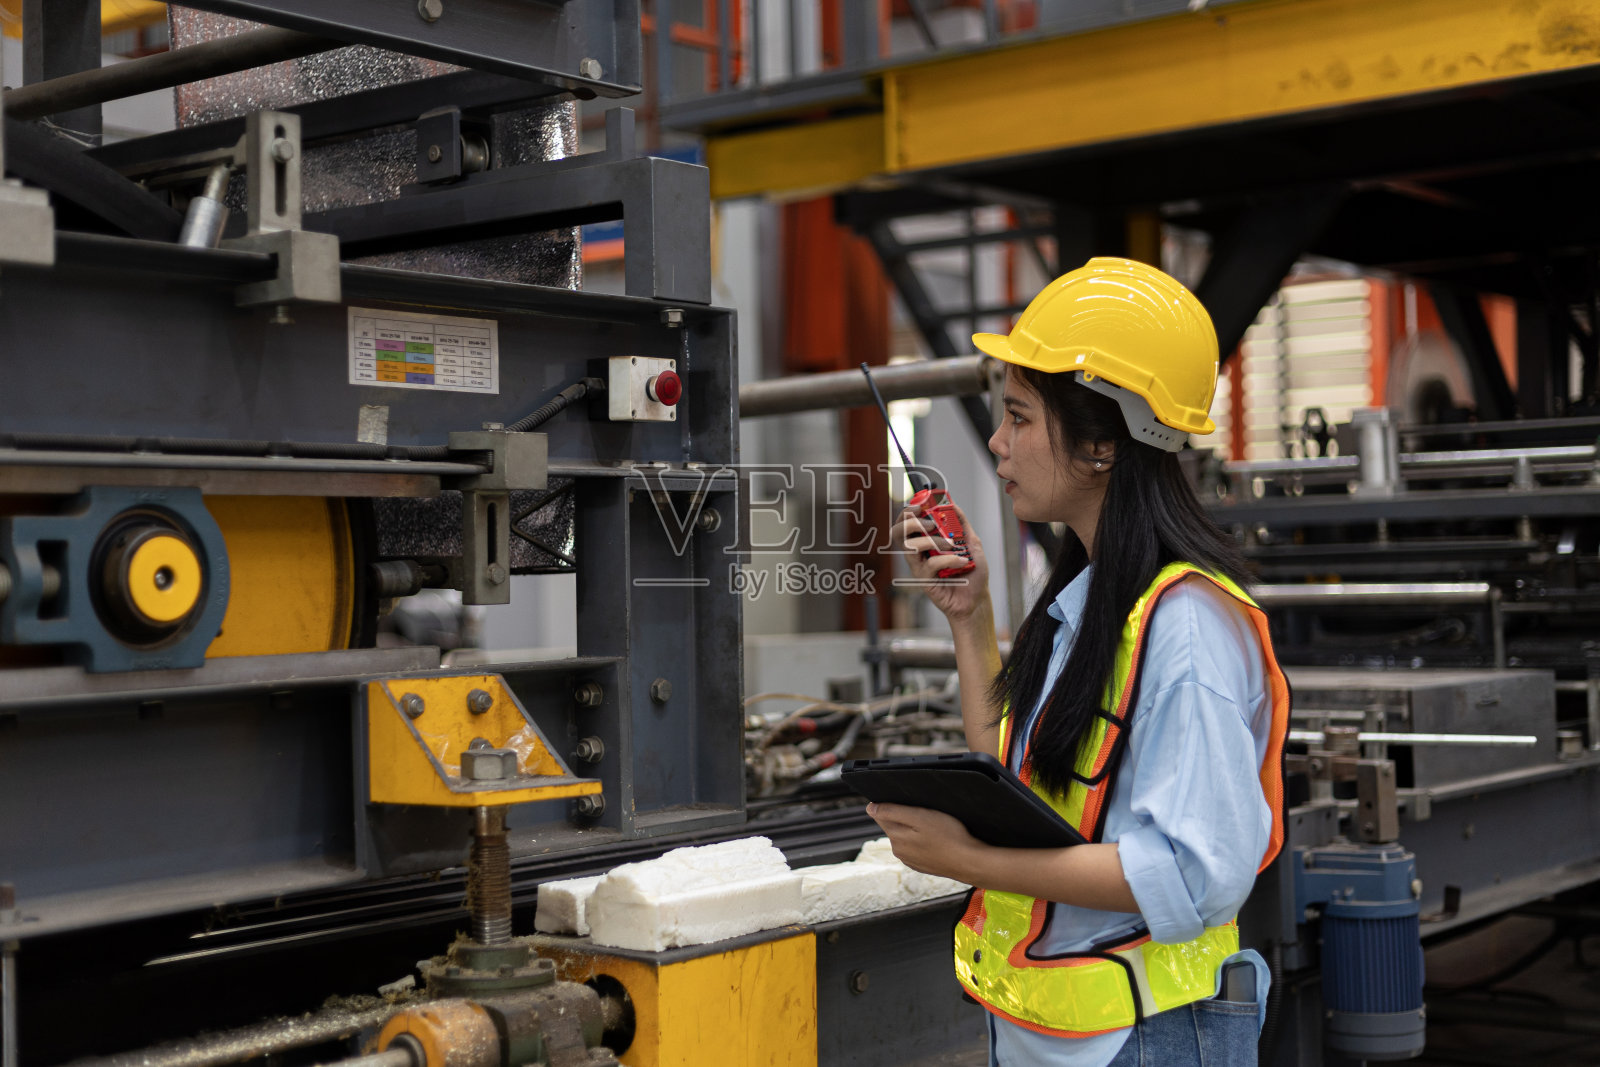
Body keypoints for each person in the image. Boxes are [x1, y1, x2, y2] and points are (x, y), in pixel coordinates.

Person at [872, 257, 1290, 1066]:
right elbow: (1018, 783)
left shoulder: (1188, 627)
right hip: (1066, 1039)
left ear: (1102, 445)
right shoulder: (1095, 606)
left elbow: (1194, 874)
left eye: (1020, 417)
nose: (997, 443)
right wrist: (971, 620)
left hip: (1152, 1039)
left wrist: (968, 861)